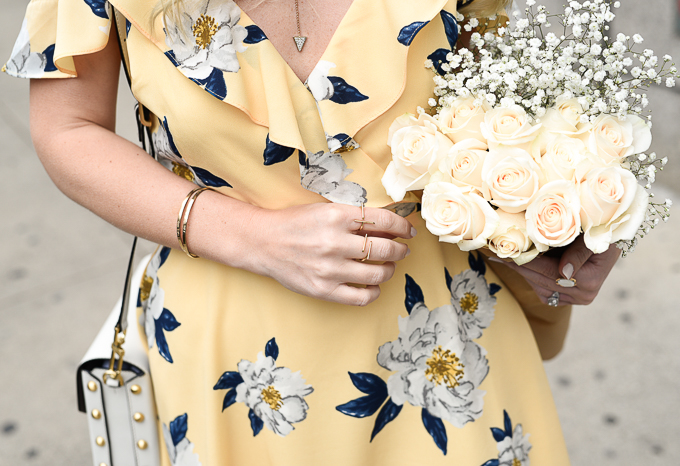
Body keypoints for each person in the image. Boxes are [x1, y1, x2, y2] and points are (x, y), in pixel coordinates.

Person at [4, 0, 621, 464]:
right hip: (238, 366)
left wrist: (556, 218)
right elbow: (67, 129)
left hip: (450, 344)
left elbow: (494, 105)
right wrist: (250, 236)